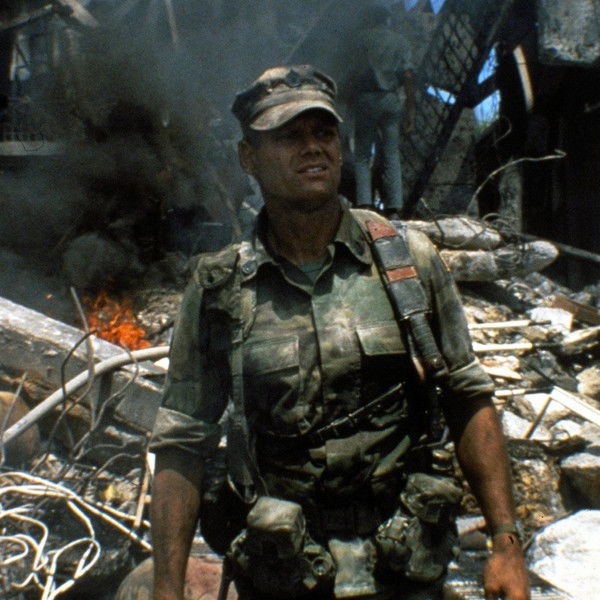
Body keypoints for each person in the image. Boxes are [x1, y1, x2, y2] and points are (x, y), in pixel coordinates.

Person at [149, 64, 530, 600]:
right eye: (289, 136)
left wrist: (506, 544)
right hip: (283, 574)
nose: (313, 148)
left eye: (323, 132)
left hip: (404, 564)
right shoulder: (220, 289)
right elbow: (183, 441)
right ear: (248, 158)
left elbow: (466, 395)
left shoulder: (408, 261)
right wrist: (167, 588)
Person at [345, 5, 416, 218]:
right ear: (387, 20)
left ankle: (365, 204)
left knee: (362, 154)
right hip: (391, 100)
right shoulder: (400, 42)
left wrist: (348, 99)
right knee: (391, 153)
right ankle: (394, 207)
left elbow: (352, 72)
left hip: (366, 99)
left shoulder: (359, 39)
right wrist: (410, 110)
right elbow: (408, 76)